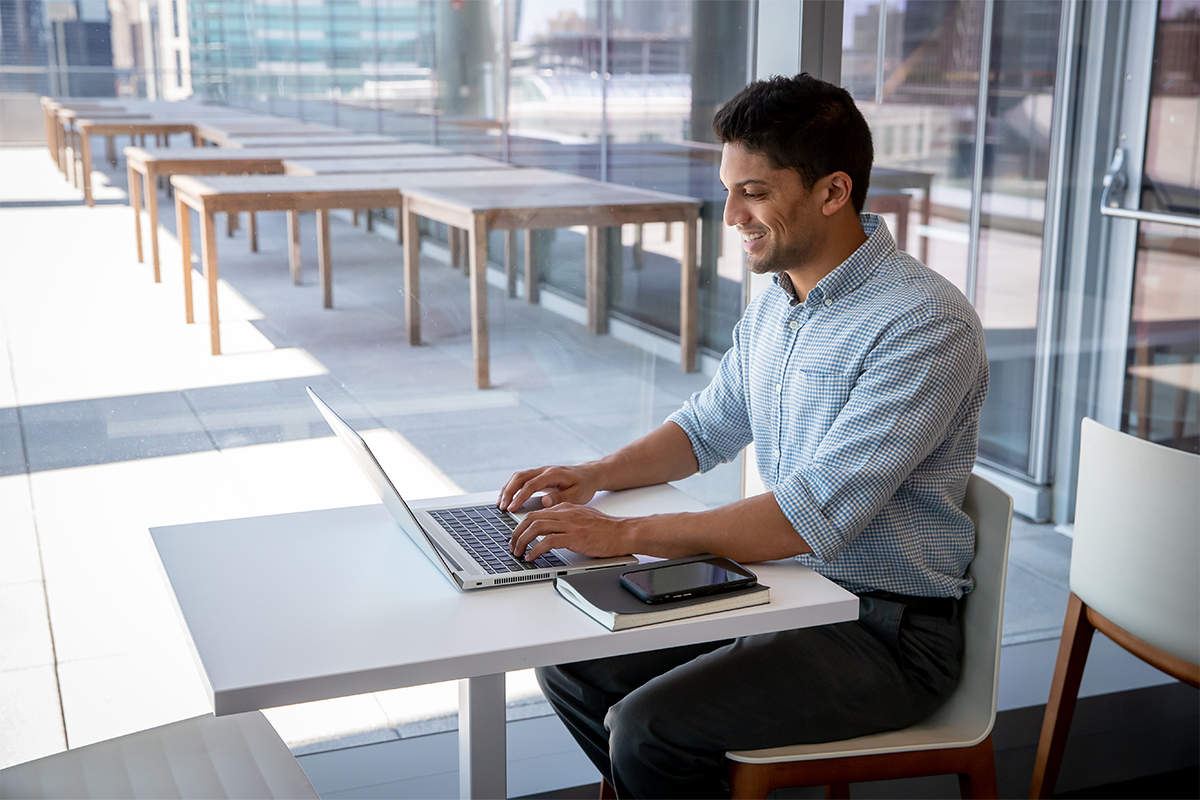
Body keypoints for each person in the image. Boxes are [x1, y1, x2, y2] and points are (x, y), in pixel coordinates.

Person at [497, 73, 988, 800]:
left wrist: (621, 532)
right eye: (729, 189)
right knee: (576, 667)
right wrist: (593, 474)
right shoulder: (780, 303)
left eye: (753, 192)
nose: (730, 215)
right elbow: (708, 426)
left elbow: (808, 513)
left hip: (883, 631)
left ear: (832, 191)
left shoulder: (923, 324)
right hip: (783, 593)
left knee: (649, 729)